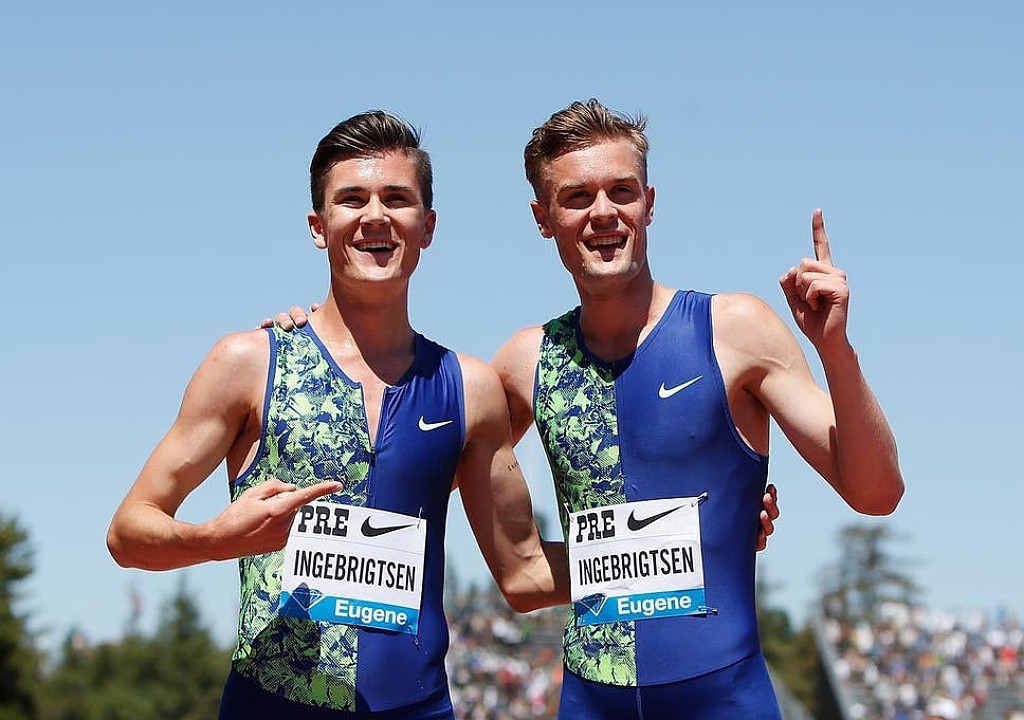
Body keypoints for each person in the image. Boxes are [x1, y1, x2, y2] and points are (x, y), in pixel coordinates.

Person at [106, 110, 574, 719]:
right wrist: (217, 539)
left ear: (428, 226)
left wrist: (681, 547)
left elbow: (526, 572)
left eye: (396, 198)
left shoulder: (469, 389)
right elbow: (128, 532)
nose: (375, 216)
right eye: (352, 200)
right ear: (317, 226)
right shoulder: (248, 363)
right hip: (271, 705)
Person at [486, 99, 904, 719]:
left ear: (649, 203)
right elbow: (441, 494)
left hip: (725, 699)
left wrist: (837, 352)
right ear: (543, 217)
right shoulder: (527, 362)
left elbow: (877, 492)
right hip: (590, 702)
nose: (603, 212)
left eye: (622, 191)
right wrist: (675, 550)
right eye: (576, 198)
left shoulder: (733, 331)